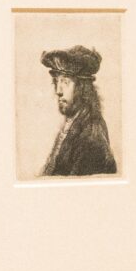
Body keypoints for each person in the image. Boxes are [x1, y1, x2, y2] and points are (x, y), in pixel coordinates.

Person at [39, 44, 117, 176]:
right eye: (56, 82)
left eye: (65, 82)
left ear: (82, 89)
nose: (58, 91)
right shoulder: (73, 123)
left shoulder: (91, 137)